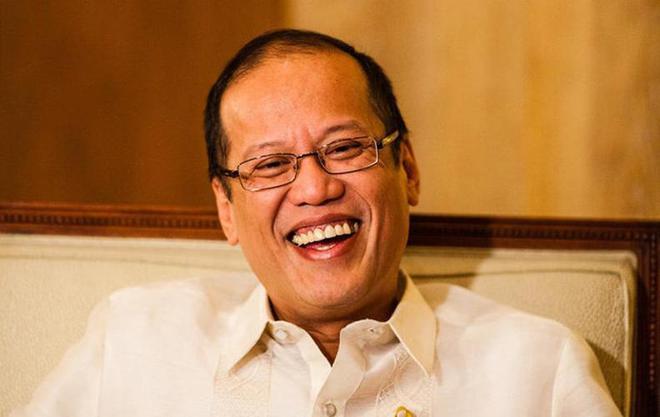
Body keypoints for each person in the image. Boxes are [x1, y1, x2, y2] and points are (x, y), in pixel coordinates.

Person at [13, 29, 621, 417]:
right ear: (226, 208)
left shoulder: (537, 370)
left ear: (408, 170)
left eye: (346, 148)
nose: (315, 189)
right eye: (270, 164)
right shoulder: (134, 340)